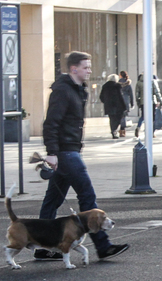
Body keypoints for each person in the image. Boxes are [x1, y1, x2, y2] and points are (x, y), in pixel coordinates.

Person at [36, 51, 129, 261]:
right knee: (87, 196)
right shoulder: (62, 91)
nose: (89, 71)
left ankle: (42, 246)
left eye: (89, 67)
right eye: (86, 67)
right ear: (73, 69)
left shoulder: (78, 89)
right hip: (66, 152)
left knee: (52, 200)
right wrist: (51, 153)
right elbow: (51, 123)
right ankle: (103, 246)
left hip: (70, 151)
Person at [134, 73, 162, 138]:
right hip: (152, 102)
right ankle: (151, 132)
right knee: (152, 118)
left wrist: (138, 103)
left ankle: (138, 127)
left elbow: (137, 95)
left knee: (143, 116)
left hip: (143, 102)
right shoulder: (152, 81)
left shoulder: (139, 82)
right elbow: (157, 92)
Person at [99, 74, 126, 140]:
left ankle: (113, 131)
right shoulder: (117, 86)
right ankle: (114, 130)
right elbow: (120, 96)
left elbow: (101, 96)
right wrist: (124, 105)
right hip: (117, 105)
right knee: (118, 118)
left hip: (109, 106)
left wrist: (105, 102)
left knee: (112, 119)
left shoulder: (105, 86)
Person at [118, 71, 134, 137]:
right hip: (126, 100)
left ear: (120, 75)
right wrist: (132, 103)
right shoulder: (128, 84)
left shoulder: (117, 83)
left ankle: (119, 130)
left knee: (119, 115)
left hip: (119, 100)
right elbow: (131, 94)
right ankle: (123, 130)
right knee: (123, 115)